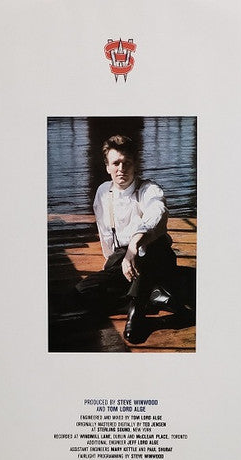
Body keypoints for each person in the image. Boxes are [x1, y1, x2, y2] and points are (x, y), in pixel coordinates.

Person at [75, 135, 183, 343]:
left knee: (147, 253)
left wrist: (134, 245)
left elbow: (157, 213)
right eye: (116, 163)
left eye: (127, 163)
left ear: (135, 165)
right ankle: (153, 297)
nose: (121, 169)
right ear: (107, 167)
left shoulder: (149, 189)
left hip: (154, 256)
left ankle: (136, 312)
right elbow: (106, 236)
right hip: (123, 258)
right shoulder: (103, 193)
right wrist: (112, 269)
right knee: (81, 292)